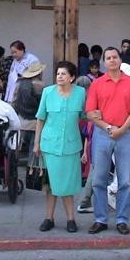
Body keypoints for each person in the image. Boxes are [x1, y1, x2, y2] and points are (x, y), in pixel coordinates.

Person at [85, 47, 130, 235]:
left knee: (124, 180)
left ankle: (122, 220)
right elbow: (90, 112)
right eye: (108, 58)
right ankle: (100, 219)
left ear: (120, 59)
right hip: (103, 134)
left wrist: (122, 129)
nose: (112, 60)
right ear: (104, 62)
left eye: (115, 57)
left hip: (125, 134)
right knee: (99, 180)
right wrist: (109, 128)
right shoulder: (97, 84)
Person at [33, 61, 86, 233]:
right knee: (50, 184)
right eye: (58, 74)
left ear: (72, 77)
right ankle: (49, 218)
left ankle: (71, 219)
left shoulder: (80, 93)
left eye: (63, 74)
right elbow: (40, 119)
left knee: (67, 185)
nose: (60, 77)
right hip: (50, 145)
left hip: (71, 145)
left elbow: (86, 117)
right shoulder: (48, 92)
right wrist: (36, 142)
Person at [11, 62, 45, 164]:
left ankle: (14, 169)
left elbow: (14, 103)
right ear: (40, 73)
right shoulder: (42, 87)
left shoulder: (19, 85)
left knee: (16, 150)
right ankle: (31, 170)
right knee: (34, 152)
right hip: (36, 124)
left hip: (21, 123)